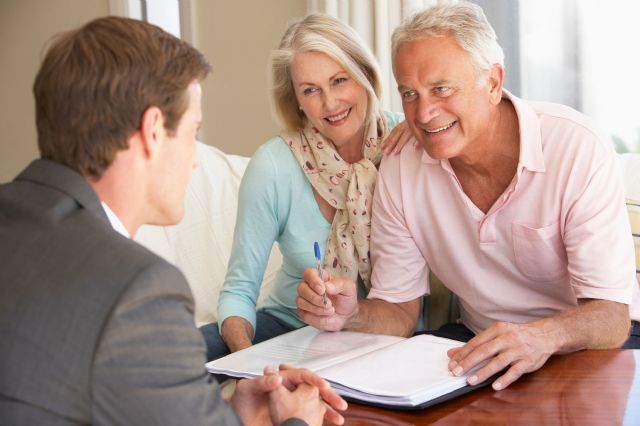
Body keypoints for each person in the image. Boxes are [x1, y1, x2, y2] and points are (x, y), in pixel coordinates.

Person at [0, 16, 347, 426]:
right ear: (151, 131)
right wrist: (296, 422)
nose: (196, 158)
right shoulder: (138, 293)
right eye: (193, 132)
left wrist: (229, 416)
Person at [296, 1, 640, 392]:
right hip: (479, 345)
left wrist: (540, 337)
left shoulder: (575, 146)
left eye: (441, 89)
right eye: (409, 93)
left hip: (593, 346)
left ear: (492, 82)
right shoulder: (400, 165)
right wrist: (352, 314)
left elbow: (612, 317)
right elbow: (398, 310)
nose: (424, 114)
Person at [199, 13, 416, 361]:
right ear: (296, 100)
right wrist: (246, 364)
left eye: (339, 80)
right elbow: (239, 290)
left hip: (385, 329)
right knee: (176, 354)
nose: (330, 103)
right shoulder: (273, 165)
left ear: (365, 76)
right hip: (291, 326)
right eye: (310, 90)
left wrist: (419, 130)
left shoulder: (409, 143)